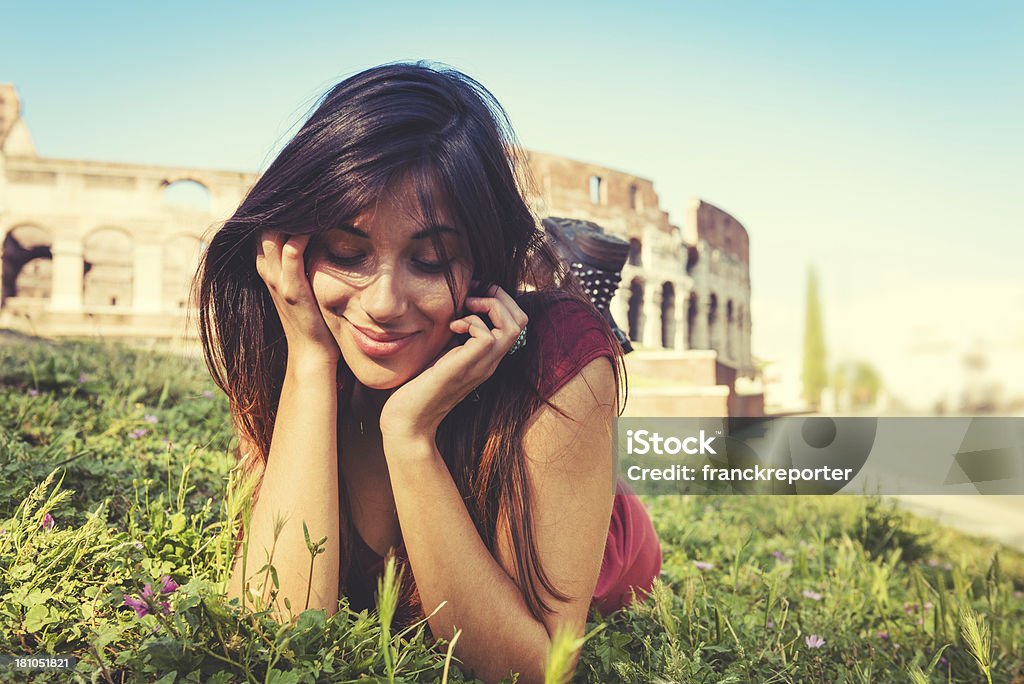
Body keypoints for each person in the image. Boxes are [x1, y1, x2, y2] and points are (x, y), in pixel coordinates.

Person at [195, 61, 661, 683]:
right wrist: (309, 363)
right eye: (348, 251)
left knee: (564, 327)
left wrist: (410, 437)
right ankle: (553, 263)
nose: (383, 302)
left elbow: (533, 671)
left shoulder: (562, 363)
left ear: (479, 264)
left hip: (596, 528)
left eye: (431, 258)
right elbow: (274, 630)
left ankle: (561, 288)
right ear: (295, 249)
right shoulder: (295, 331)